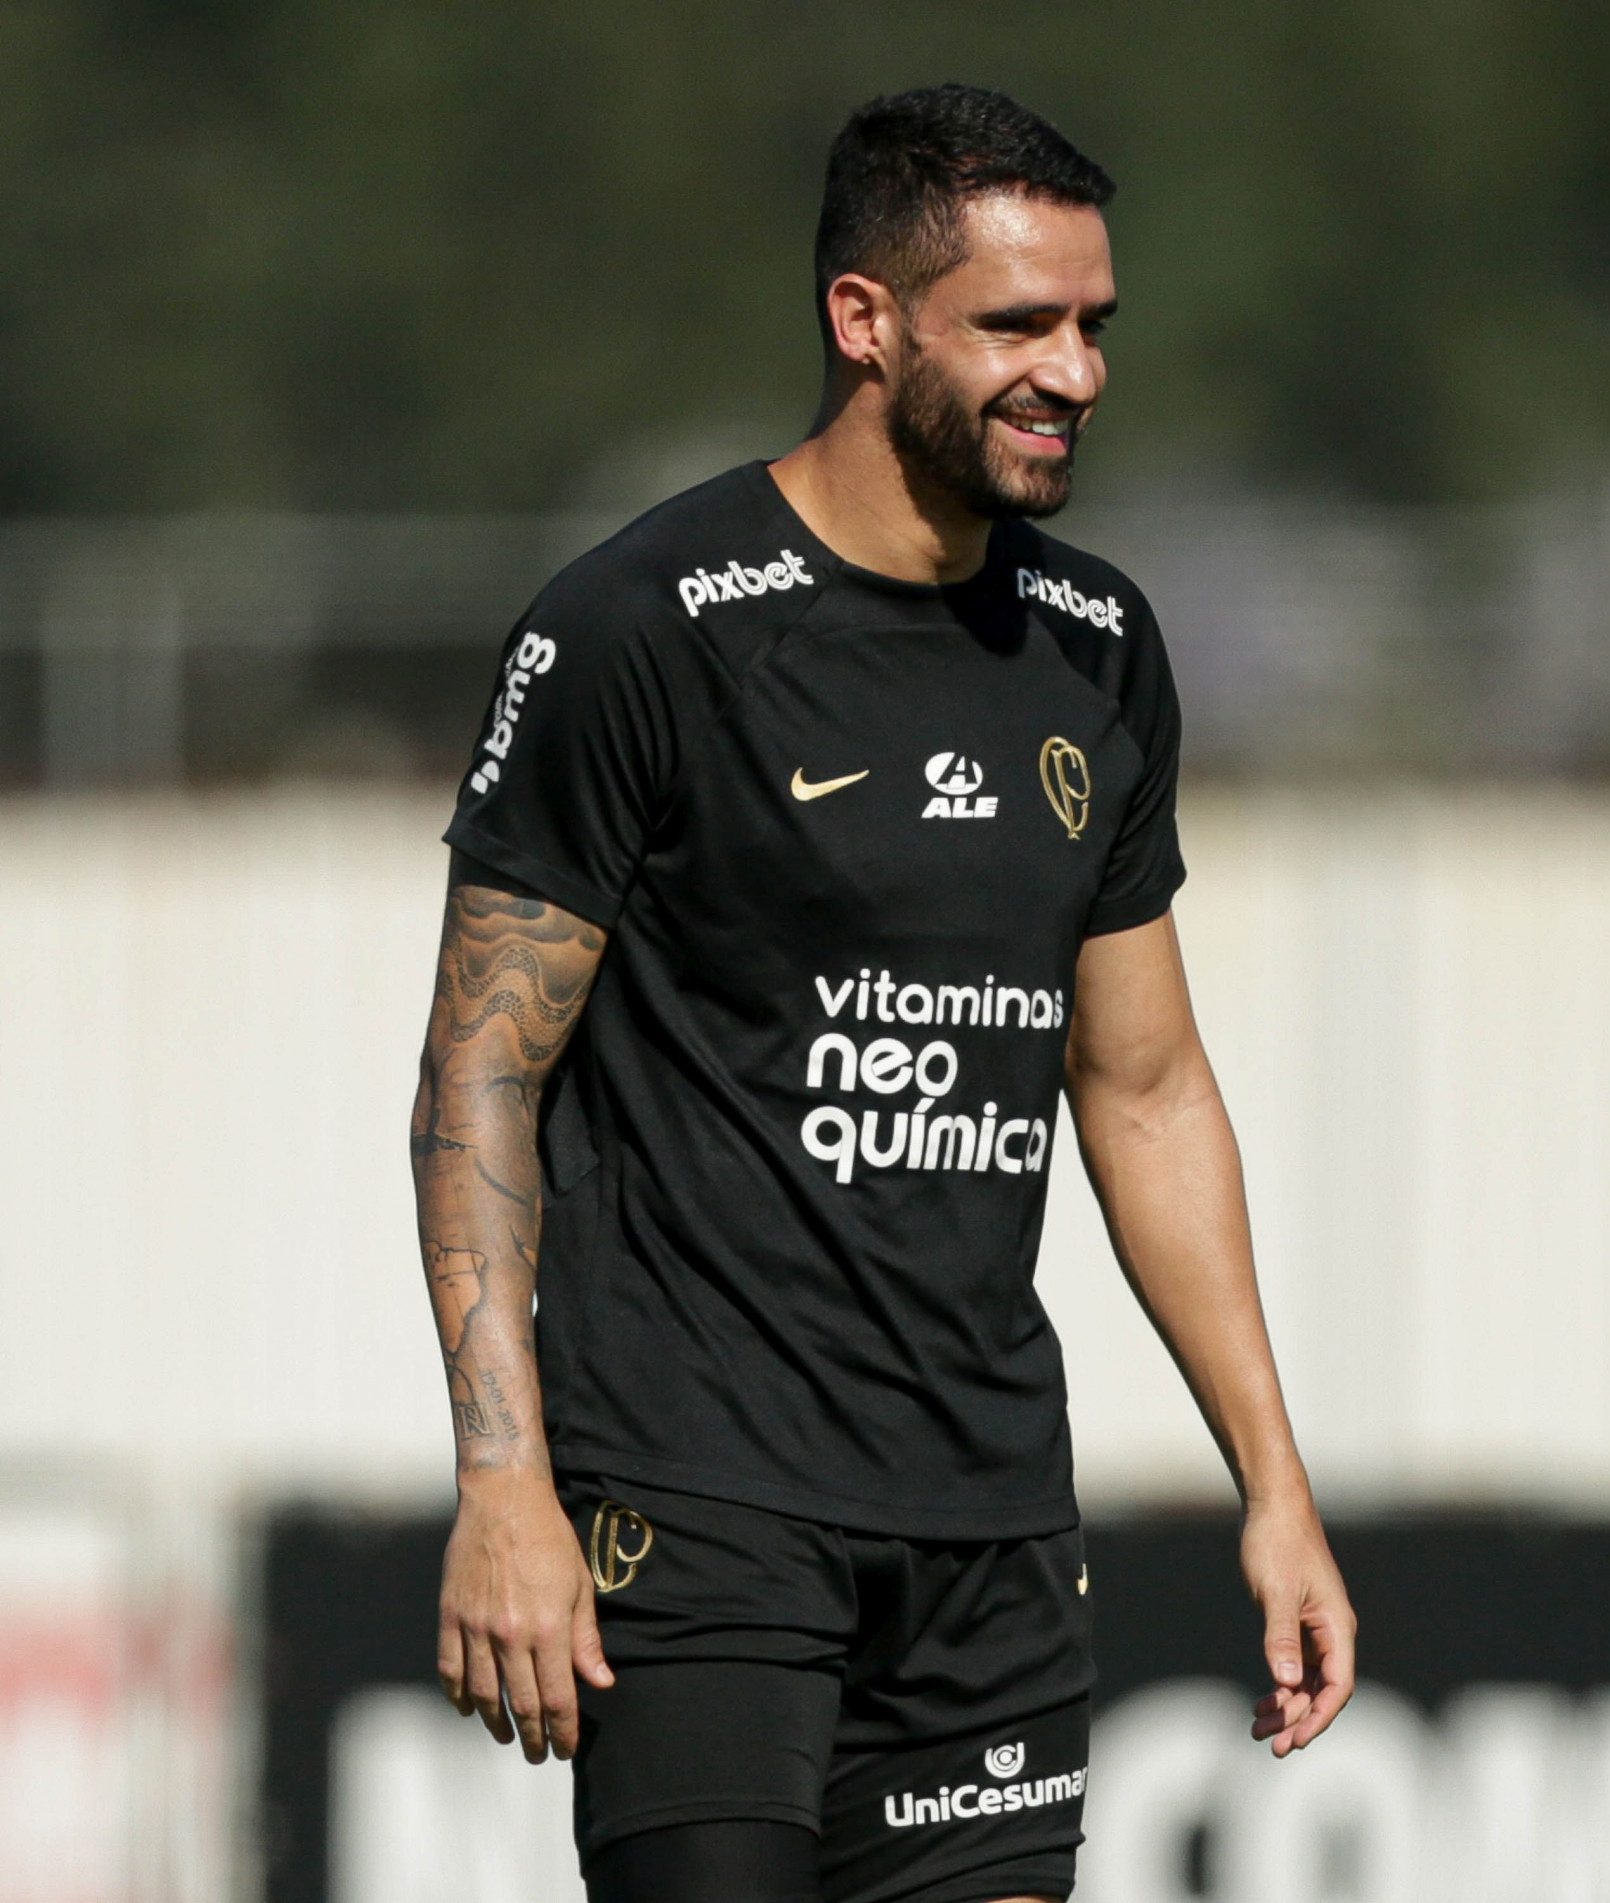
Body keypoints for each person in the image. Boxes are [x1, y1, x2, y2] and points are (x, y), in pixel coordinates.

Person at [412, 82, 1355, 1903]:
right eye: (1016, 324)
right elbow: (478, 1081)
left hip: (987, 1524)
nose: (1073, 372)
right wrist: (501, 1484)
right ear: (865, 320)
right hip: (695, 1515)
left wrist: (1274, 1483)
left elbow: (1143, 1088)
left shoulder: (1095, 649)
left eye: (1091, 327)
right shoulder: (643, 628)